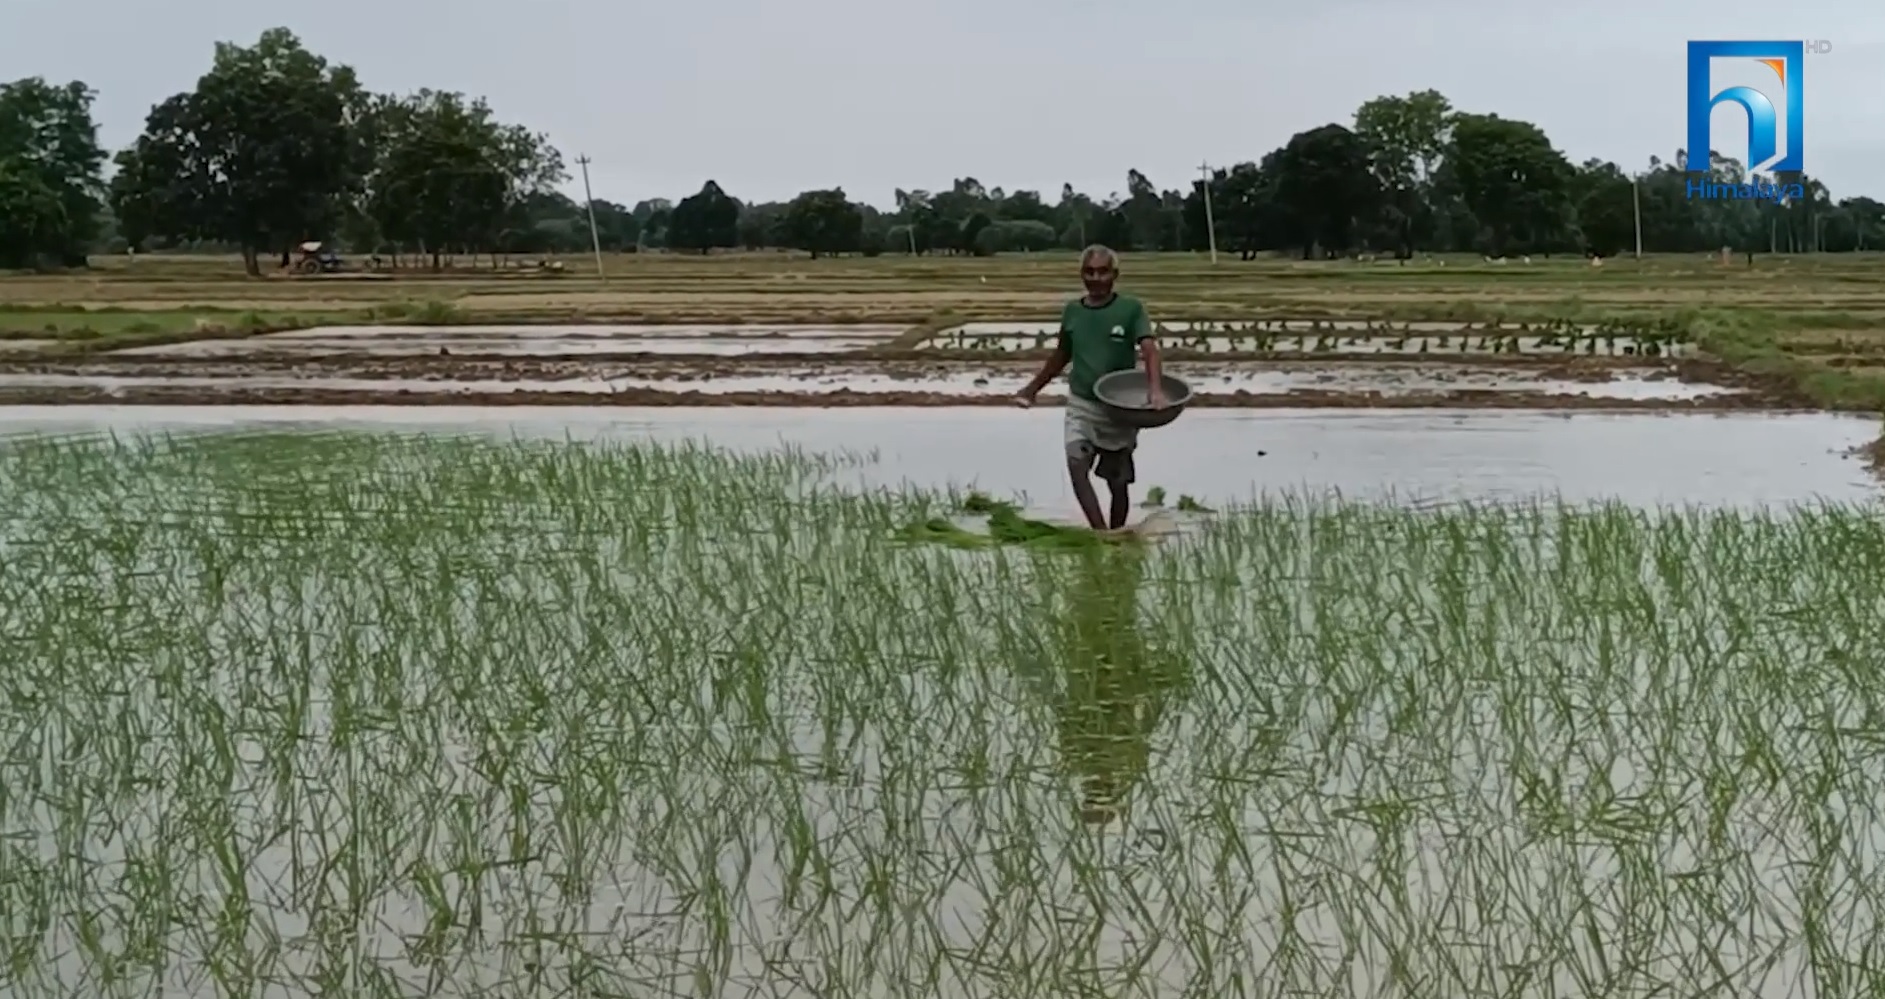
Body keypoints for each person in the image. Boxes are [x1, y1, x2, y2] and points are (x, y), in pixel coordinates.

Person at [1012, 245, 1166, 531]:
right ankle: (1100, 535)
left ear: (1115, 274)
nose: (1096, 278)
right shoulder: (1073, 311)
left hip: (1119, 409)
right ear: (1081, 275)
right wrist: (1032, 389)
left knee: (1117, 482)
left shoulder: (1131, 308)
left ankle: (1116, 531)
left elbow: (1149, 350)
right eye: (1089, 272)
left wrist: (1155, 391)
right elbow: (1061, 355)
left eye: (1103, 271)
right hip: (1082, 403)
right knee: (1076, 464)